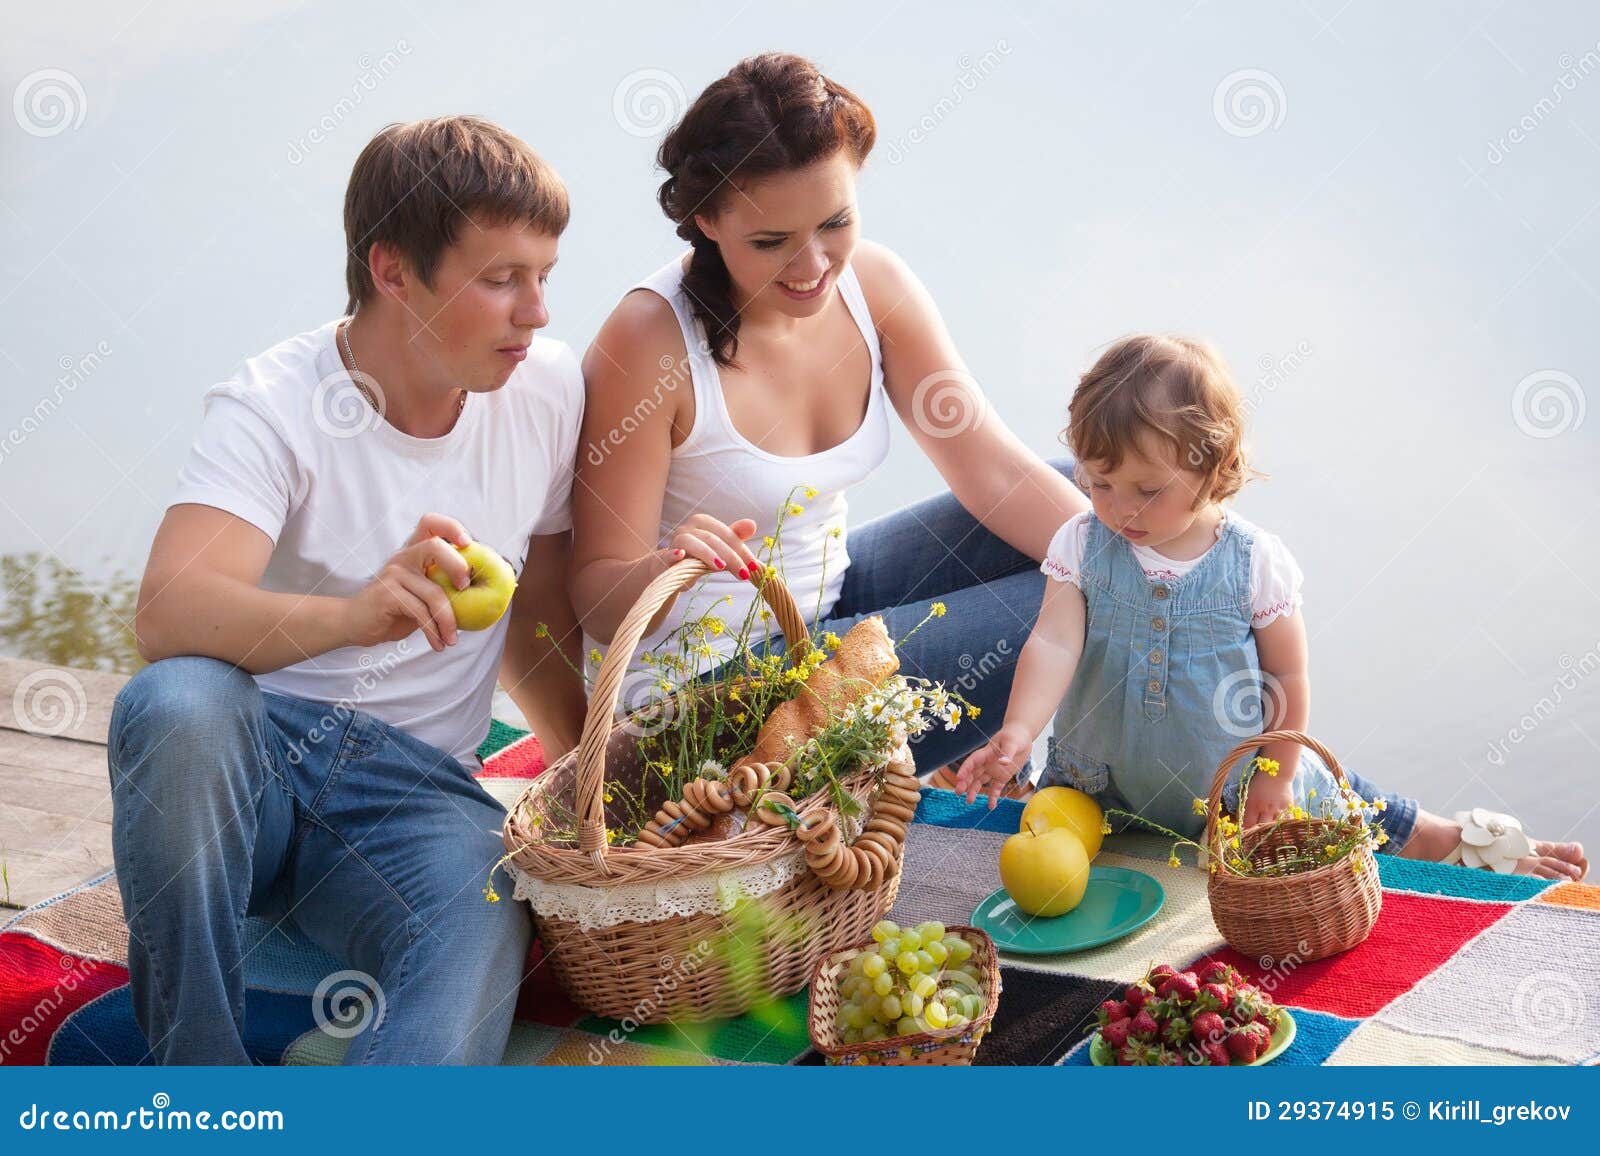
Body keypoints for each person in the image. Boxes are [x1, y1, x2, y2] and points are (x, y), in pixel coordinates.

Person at [108, 116, 588, 1064]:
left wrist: (598, 788)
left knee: (481, 920)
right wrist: (355, 615)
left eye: (545, 276)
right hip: (259, 760)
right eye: (500, 280)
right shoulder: (274, 404)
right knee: (178, 703)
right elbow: (168, 611)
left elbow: (535, 622)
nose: (534, 312)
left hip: (418, 795)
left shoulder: (548, 388)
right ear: (393, 270)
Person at [570, 53, 1088, 787]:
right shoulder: (649, 340)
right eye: (770, 241)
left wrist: (1154, 565)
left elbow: (990, 466)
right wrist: (665, 570)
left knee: (1098, 510)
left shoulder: (872, 284)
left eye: (834, 222)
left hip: (830, 601)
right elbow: (595, 599)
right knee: (1072, 602)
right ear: (708, 220)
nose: (812, 264)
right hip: (707, 698)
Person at [956, 334, 1588, 880]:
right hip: (1101, 788)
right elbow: (1055, 643)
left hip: (1229, 791)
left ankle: (1437, 838)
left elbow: (1285, 678)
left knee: (1329, 806)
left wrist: (1275, 777)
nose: (1121, 508)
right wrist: (1019, 729)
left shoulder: (1253, 562)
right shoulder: (1083, 543)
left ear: (1215, 468)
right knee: (1061, 863)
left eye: (1149, 490)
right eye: (1098, 483)